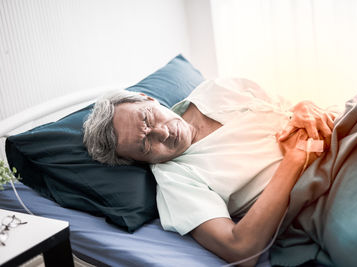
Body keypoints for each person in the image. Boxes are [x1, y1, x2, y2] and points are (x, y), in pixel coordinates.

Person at [83, 78, 339, 266]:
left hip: (344, 126)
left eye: (147, 119)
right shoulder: (176, 180)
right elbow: (240, 249)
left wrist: (304, 106)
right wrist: (293, 161)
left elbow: (291, 104)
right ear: (138, 161)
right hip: (332, 185)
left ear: (149, 99)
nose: (162, 132)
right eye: (145, 144)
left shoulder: (214, 90)